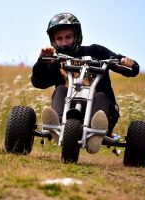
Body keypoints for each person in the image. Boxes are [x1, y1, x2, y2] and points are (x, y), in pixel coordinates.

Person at [31, 12, 139, 154]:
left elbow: (130, 68)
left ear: (76, 36)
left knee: (100, 95)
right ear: (53, 40)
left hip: (102, 112)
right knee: (60, 90)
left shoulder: (96, 51)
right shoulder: (55, 59)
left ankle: (95, 132)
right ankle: (56, 126)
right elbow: (38, 82)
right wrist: (42, 62)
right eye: (59, 38)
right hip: (66, 112)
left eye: (68, 37)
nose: (64, 42)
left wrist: (126, 63)